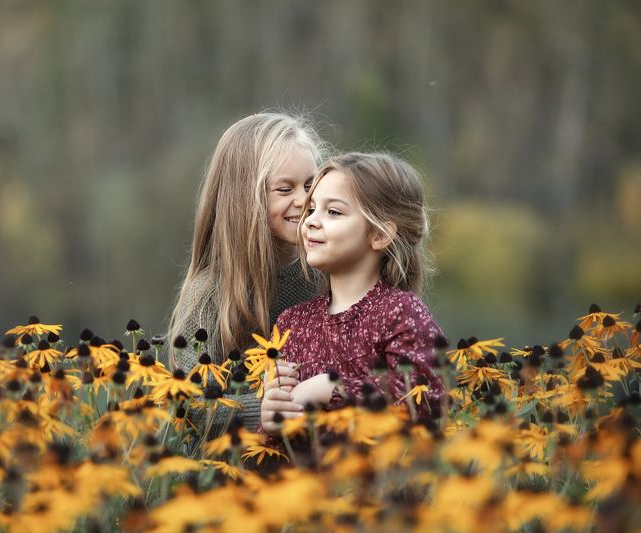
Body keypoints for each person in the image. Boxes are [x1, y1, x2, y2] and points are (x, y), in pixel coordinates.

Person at [260, 152, 445, 436]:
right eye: (311, 210)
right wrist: (272, 421)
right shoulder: (292, 324)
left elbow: (423, 403)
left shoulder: (400, 312)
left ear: (380, 234)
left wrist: (330, 387)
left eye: (332, 212)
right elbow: (280, 437)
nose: (310, 221)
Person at [168, 112, 326, 432]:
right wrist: (258, 411)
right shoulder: (210, 294)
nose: (304, 199)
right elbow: (190, 401)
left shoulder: (324, 275)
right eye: (285, 190)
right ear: (245, 200)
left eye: (310, 184)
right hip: (237, 470)